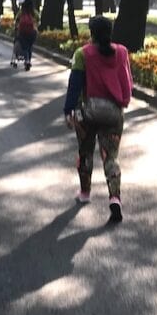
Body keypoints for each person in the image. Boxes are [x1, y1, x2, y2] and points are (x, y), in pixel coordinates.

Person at [62, 16, 133, 223]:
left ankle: (85, 193)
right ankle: (115, 198)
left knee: (85, 153)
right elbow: (127, 84)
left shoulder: (82, 54)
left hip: (87, 113)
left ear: (91, 33)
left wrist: (69, 111)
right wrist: (122, 103)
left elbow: (74, 86)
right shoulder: (121, 52)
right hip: (113, 114)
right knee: (110, 157)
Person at [14, 0, 38, 71]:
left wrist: (16, 29)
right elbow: (38, 20)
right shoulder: (34, 13)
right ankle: (28, 61)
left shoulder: (21, 12)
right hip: (32, 32)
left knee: (24, 47)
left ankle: (27, 60)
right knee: (29, 47)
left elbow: (16, 21)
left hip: (22, 32)